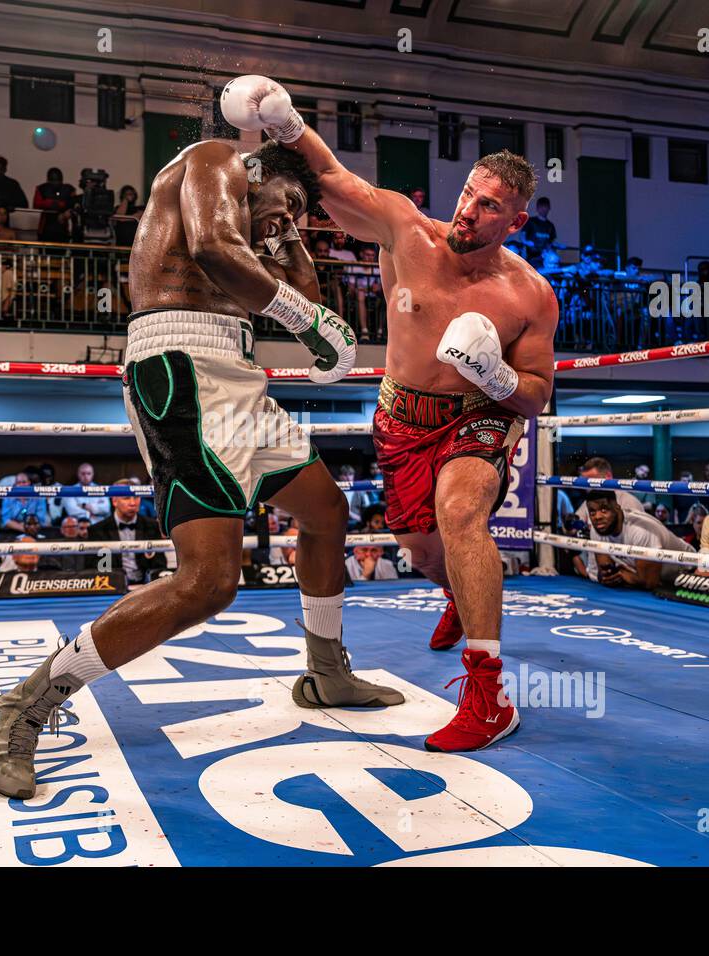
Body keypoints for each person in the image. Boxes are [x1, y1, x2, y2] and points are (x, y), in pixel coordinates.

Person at [0, 135, 399, 801]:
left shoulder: (264, 227)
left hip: (238, 376)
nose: (282, 221)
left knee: (327, 511)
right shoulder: (217, 159)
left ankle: (324, 671)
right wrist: (303, 312)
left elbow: (308, 301)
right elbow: (211, 247)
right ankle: (21, 708)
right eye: (283, 204)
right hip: (179, 365)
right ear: (260, 173)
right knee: (209, 582)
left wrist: (290, 236)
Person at [238, 75, 560, 752]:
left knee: (461, 511)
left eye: (490, 205)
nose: (471, 209)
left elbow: (536, 395)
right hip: (401, 420)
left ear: (516, 221)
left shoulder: (530, 295)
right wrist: (287, 125)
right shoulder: (406, 231)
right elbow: (330, 178)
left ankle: (488, 693)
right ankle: (456, 593)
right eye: (470, 192)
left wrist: (494, 373)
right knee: (423, 551)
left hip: (479, 413)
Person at [577, 490, 693, 589]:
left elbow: (650, 582)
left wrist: (623, 574)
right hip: (654, 581)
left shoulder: (640, 530)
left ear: (617, 507)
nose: (597, 517)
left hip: (688, 570)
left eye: (604, 510)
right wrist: (609, 576)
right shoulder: (599, 529)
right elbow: (605, 572)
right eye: (592, 512)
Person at [85, 480, 167, 585]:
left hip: (146, 587)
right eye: (126, 498)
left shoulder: (151, 526)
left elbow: (160, 564)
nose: (133, 503)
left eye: (136, 497)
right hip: (112, 587)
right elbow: (93, 569)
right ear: (114, 501)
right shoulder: (98, 530)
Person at [521, 196, 556, 267]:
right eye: (541, 206)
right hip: (532, 257)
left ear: (549, 208)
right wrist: (526, 242)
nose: (543, 209)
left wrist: (550, 250)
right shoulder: (530, 221)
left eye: (545, 206)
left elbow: (551, 242)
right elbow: (522, 236)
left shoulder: (550, 225)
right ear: (537, 208)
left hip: (545, 257)